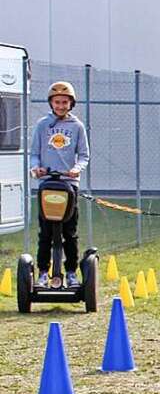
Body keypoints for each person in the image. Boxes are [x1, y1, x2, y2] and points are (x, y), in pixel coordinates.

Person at [29, 81, 90, 287]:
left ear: (71, 103)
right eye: (57, 102)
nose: (61, 106)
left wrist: (76, 169)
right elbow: (34, 154)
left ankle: (72, 272)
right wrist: (36, 168)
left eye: (64, 102)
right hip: (47, 183)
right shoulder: (42, 125)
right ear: (51, 103)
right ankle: (43, 273)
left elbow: (84, 156)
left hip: (69, 184)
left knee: (69, 232)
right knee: (45, 232)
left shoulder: (77, 126)